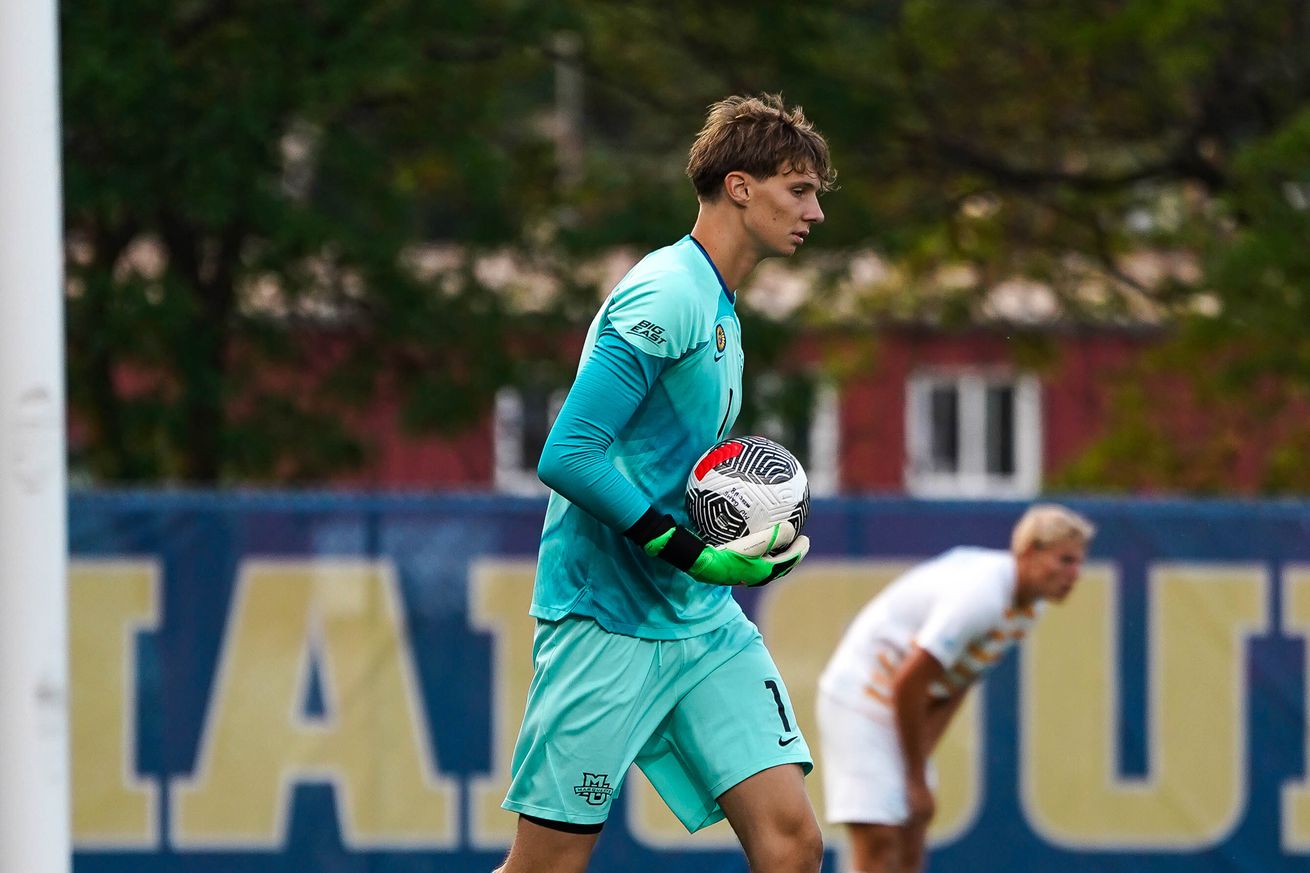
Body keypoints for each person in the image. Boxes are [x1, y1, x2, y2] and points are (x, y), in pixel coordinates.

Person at [493, 94, 837, 873]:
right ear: (740, 186)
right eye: (799, 189)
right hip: (607, 620)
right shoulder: (669, 292)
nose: (814, 212)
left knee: (792, 842)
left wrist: (738, 538)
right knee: (546, 865)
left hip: (700, 623)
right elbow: (570, 454)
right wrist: (697, 552)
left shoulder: (719, 304)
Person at [815, 504, 1096, 873]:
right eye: (1065, 561)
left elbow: (957, 682)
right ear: (1029, 553)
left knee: (912, 829)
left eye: (1078, 563)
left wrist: (918, 762)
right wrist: (915, 777)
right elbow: (909, 681)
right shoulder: (983, 595)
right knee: (879, 838)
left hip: (899, 703)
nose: (1075, 574)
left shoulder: (1029, 607)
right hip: (860, 698)